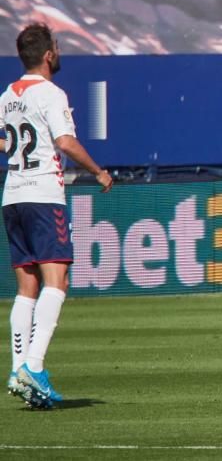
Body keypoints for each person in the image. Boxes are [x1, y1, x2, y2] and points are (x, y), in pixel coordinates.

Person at [2, 23, 113, 408]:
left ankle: (18, 369)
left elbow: (5, 139)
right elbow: (65, 141)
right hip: (43, 194)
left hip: (12, 194)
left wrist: (15, 150)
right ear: (48, 55)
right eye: (57, 47)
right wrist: (98, 170)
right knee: (57, 279)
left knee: (26, 286)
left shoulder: (8, 94)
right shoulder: (51, 93)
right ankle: (32, 364)